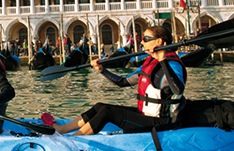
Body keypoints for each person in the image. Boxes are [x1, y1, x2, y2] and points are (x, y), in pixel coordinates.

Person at [41, 26, 186, 136]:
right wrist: (102, 70)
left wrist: (162, 59)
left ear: (159, 42)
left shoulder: (173, 64)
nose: (141, 42)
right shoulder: (149, 64)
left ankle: (74, 140)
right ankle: (61, 129)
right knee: (99, 106)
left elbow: (178, 90)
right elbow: (122, 82)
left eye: (146, 39)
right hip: (146, 115)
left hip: (161, 122)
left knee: (107, 112)